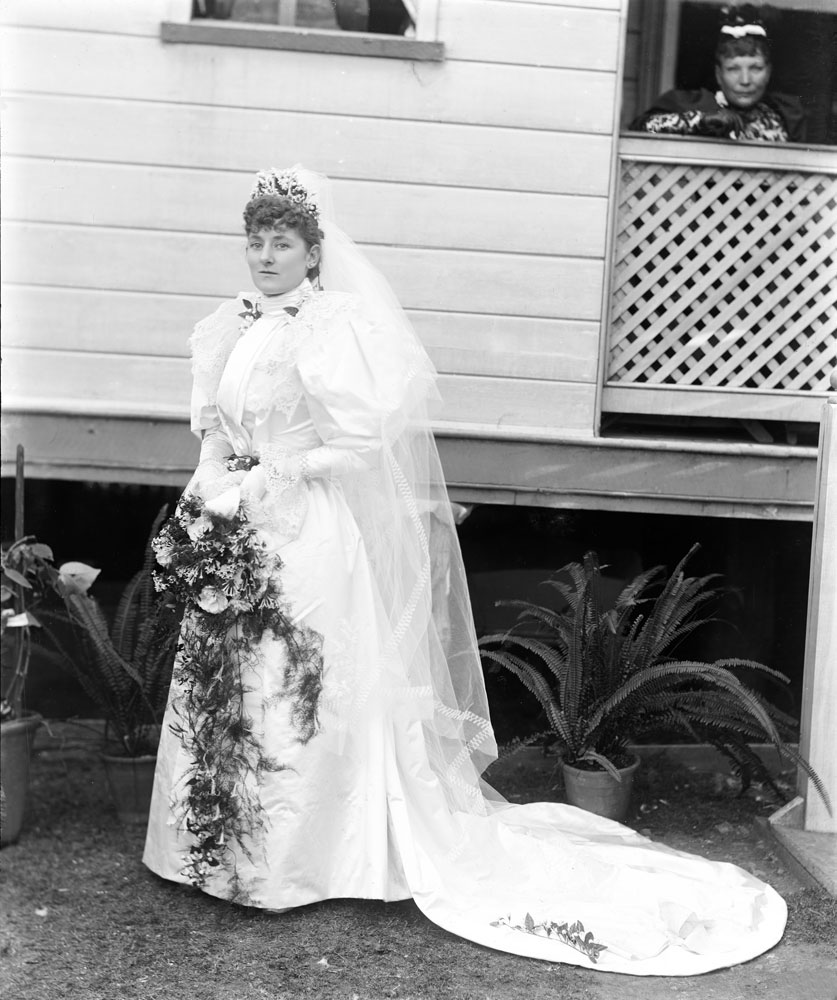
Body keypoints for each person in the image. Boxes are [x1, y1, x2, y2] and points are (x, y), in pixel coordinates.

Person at [144, 165, 787, 975]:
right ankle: (216, 847)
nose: (264, 256)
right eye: (255, 241)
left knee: (300, 681)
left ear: (314, 253)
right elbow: (213, 426)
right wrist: (209, 492)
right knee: (231, 680)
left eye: (282, 243)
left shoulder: (334, 326)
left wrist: (277, 471)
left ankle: (307, 858)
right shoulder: (226, 325)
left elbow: (359, 441)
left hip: (306, 528)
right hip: (239, 522)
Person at [631, 4, 806, 142]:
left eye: (755, 68)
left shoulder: (786, 115)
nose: (745, 80)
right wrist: (700, 121)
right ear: (718, 75)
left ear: (768, 72)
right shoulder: (696, 104)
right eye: (733, 69)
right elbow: (641, 128)